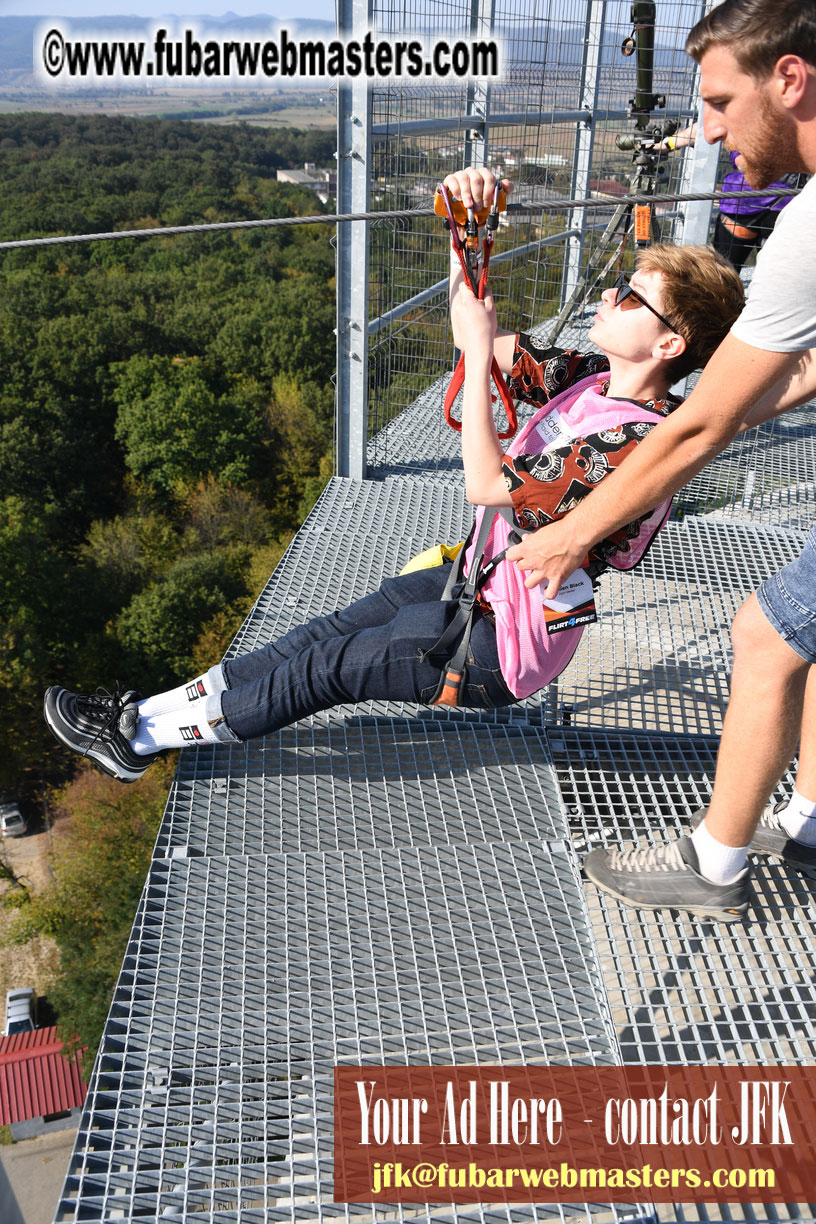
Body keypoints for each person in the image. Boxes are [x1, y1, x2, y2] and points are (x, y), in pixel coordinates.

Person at [43, 241, 743, 783]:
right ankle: (143, 713)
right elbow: (490, 345)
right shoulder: (592, 379)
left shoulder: (634, 443)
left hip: (502, 645)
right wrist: (467, 246)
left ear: (669, 346)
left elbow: (486, 481)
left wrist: (475, 348)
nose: (609, 296)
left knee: (328, 669)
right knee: (315, 635)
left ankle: (138, 743)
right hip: (479, 581)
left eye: (631, 299)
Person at [485, 0, 816, 922]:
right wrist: (751, 406)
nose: (705, 130)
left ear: (790, 80)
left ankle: (713, 866)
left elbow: (689, 432)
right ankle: (815, 820)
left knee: (769, 635)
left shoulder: (809, 230)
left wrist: (570, 537)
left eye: (718, 100)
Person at [661, 122, 805, 270]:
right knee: (775, 274)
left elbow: (707, 127)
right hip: (785, 202)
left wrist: (666, 144)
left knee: (723, 274)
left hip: (742, 199)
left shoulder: (744, 109)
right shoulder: (799, 114)